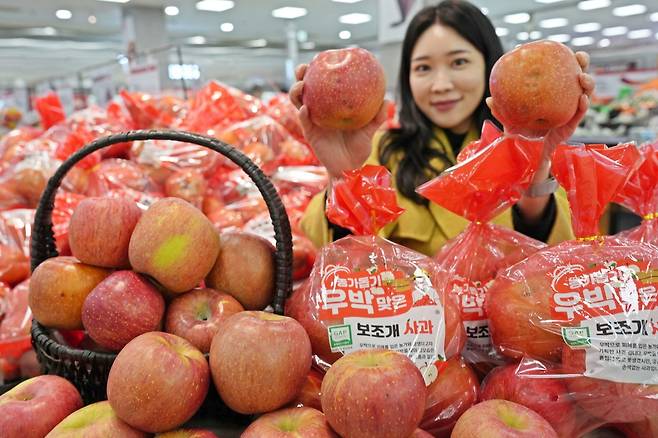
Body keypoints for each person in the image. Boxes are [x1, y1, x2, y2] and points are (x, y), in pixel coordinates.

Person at [290, 0, 595, 257]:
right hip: (419, 323)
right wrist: (342, 174)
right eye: (423, 68)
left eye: (459, 62)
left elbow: (552, 256)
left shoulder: (516, 151)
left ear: (489, 66)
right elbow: (345, 256)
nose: (441, 85)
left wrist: (535, 164)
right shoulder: (380, 151)